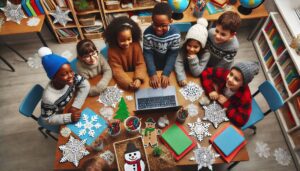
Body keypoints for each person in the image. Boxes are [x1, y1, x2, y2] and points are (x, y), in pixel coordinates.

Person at [38, 47, 90, 125]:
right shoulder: (49, 98)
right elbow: (46, 119)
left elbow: (85, 84)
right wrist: (69, 118)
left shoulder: (71, 77)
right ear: (53, 78)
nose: (71, 76)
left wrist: (75, 106)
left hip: (73, 105)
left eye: (71, 71)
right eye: (64, 74)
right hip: (63, 114)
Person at [201, 61, 260, 127]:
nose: (230, 79)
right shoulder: (226, 74)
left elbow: (241, 121)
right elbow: (206, 71)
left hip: (225, 114)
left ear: (243, 84)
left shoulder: (245, 97)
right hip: (216, 105)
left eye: (236, 79)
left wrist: (226, 103)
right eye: (231, 74)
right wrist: (211, 90)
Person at [103, 16, 147, 90]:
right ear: (115, 39)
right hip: (122, 79)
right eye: (122, 40)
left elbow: (141, 63)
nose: (126, 43)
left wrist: (138, 78)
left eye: (129, 39)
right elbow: (117, 70)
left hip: (134, 74)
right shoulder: (112, 50)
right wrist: (128, 83)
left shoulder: (136, 45)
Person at [143, 2, 181, 88]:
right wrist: (152, 73)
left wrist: (166, 72)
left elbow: (173, 54)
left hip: (168, 65)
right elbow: (148, 54)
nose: (158, 29)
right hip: (152, 65)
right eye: (155, 24)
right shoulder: (147, 34)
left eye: (163, 25)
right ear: (152, 19)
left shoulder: (176, 34)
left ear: (170, 21)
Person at [174, 18, 210, 87]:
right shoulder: (183, 48)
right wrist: (181, 77)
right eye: (189, 45)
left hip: (194, 77)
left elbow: (196, 73)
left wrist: (193, 60)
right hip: (183, 72)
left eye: (195, 47)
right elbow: (178, 62)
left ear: (202, 46)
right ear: (186, 43)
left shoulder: (206, 54)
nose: (191, 49)